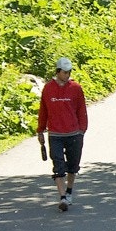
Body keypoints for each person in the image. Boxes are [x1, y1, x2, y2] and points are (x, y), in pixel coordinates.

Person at [36, 57, 88, 212]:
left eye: (69, 72)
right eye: (64, 72)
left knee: (73, 166)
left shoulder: (76, 88)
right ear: (58, 72)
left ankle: (69, 191)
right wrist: (40, 130)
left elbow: (81, 110)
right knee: (58, 166)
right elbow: (43, 111)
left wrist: (82, 130)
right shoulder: (48, 89)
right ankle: (62, 197)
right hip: (55, 134)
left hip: (74, 133)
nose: (67, 75)